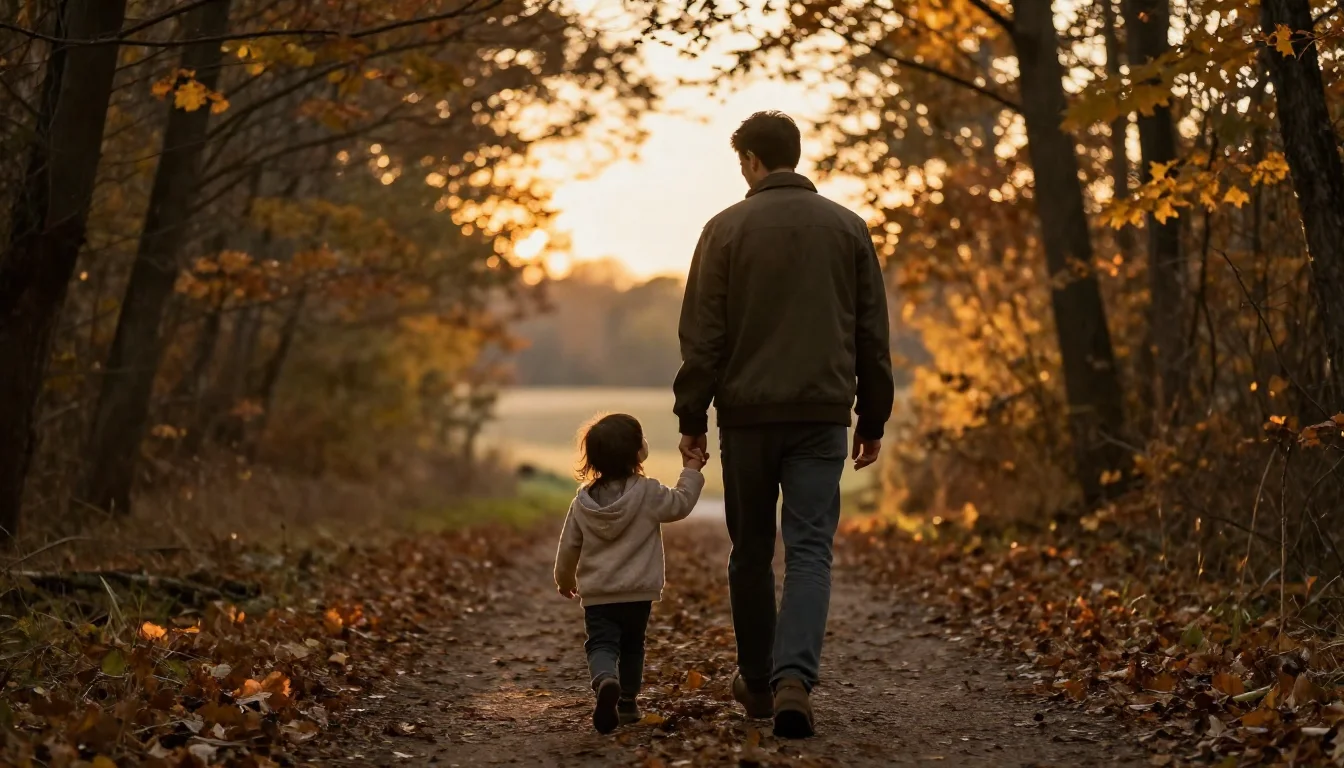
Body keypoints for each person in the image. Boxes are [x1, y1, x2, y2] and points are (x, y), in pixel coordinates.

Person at [673, 111, 895, 738]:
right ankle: (794, 677)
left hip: (746, 420)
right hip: (822, 415)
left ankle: (757, 679)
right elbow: (871, 334)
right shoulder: (849, 228)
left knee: (749, 553)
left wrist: (693, 414)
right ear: (795, 156)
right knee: (808, 551)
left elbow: (703, 337)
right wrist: (871, 414)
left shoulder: (723, 230)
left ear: (749, 160)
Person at [553, 413, 706, 734]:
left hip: (597, 594)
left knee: (601, 645)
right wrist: (690, 471)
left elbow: (569, 546)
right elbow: (681, 504)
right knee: (634, 645)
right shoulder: (648, 492)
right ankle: (627, 704)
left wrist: (564, 579)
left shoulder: (582, 502)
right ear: (638, 453)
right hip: (638, 592)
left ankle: (605, 680)